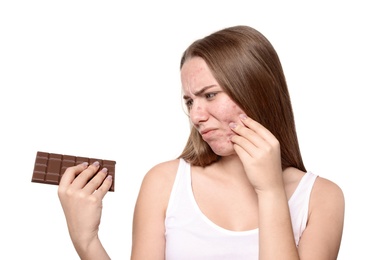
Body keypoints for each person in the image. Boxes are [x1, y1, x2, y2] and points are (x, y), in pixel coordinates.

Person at [58, 25, 345, 259]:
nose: (196, 115)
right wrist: (87, 241)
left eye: (209, 95)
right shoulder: (164, 183)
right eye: (189, 100)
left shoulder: (321, 198)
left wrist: (270, 191)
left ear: (255, 90)